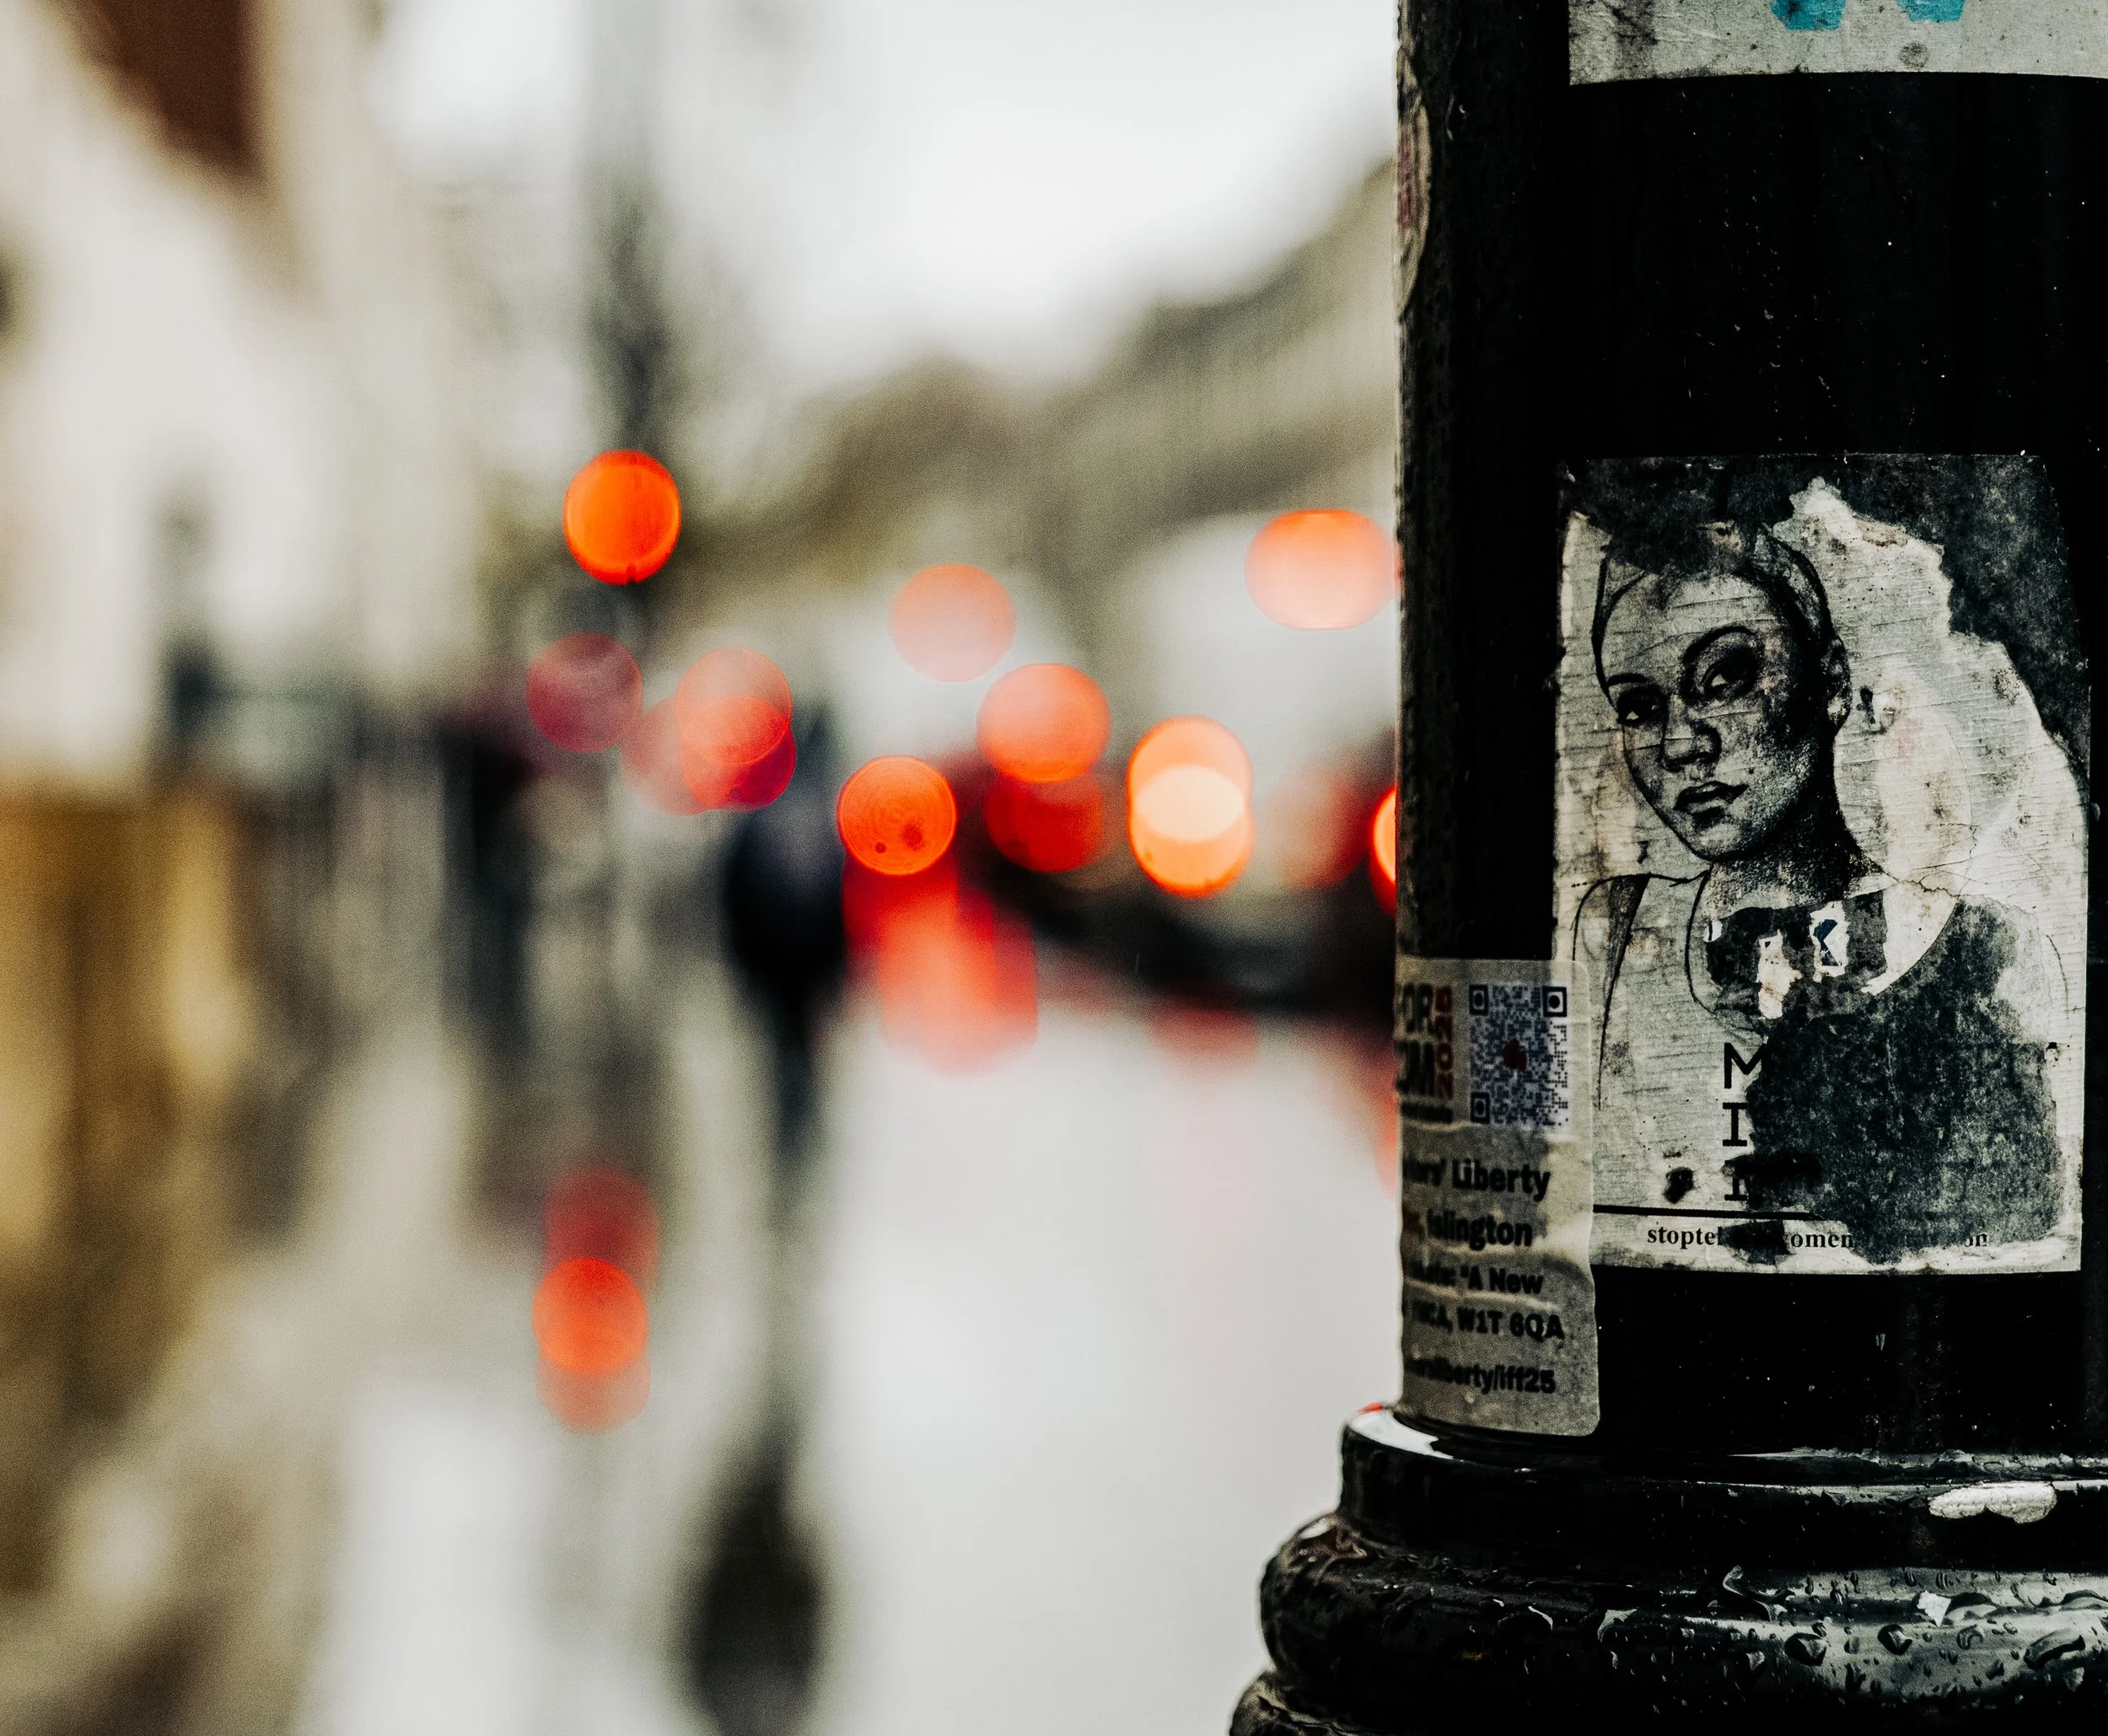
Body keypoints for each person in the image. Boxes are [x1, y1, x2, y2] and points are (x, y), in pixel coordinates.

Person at [1573, 515, 2062, 1263]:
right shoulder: (1611, 934)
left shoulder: (1991, 951)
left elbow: (2026, 1244)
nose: (1679, 743)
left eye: (1725, 678)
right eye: (1640, 706)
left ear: (1831, 680)